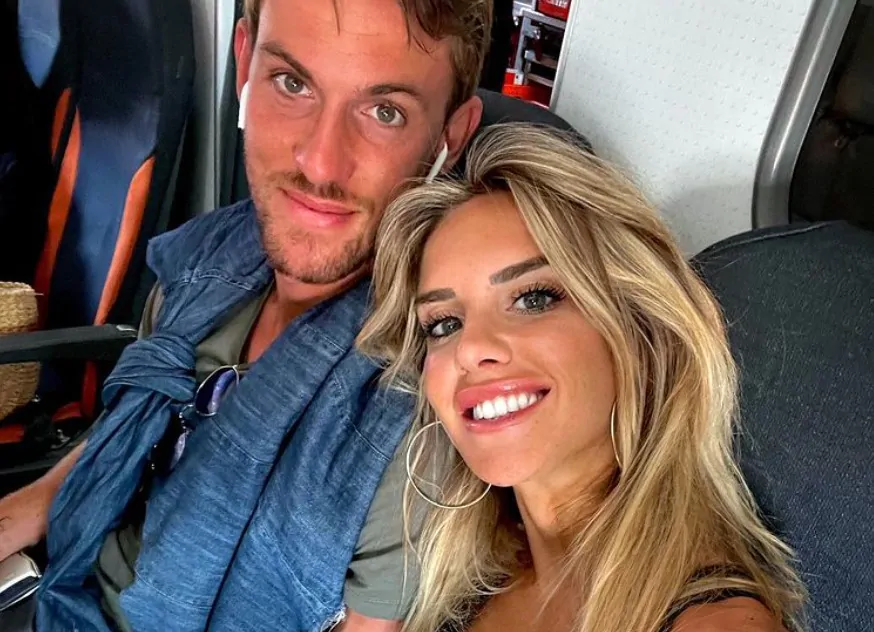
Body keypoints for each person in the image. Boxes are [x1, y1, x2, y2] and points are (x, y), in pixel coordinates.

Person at [0, 1, 493, 630]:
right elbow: (127, 437)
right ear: (243, 65)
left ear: (450, 135)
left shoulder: (418, 418)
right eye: (292, 83)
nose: (320, 163)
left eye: (384, 112)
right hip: (64, 584)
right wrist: (25, 509)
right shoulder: (210, 255)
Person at [356, 123, 808, 632]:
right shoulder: (462, 577)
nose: (471, 348)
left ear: (637, 330)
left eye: (534, 298)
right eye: (443, 324)